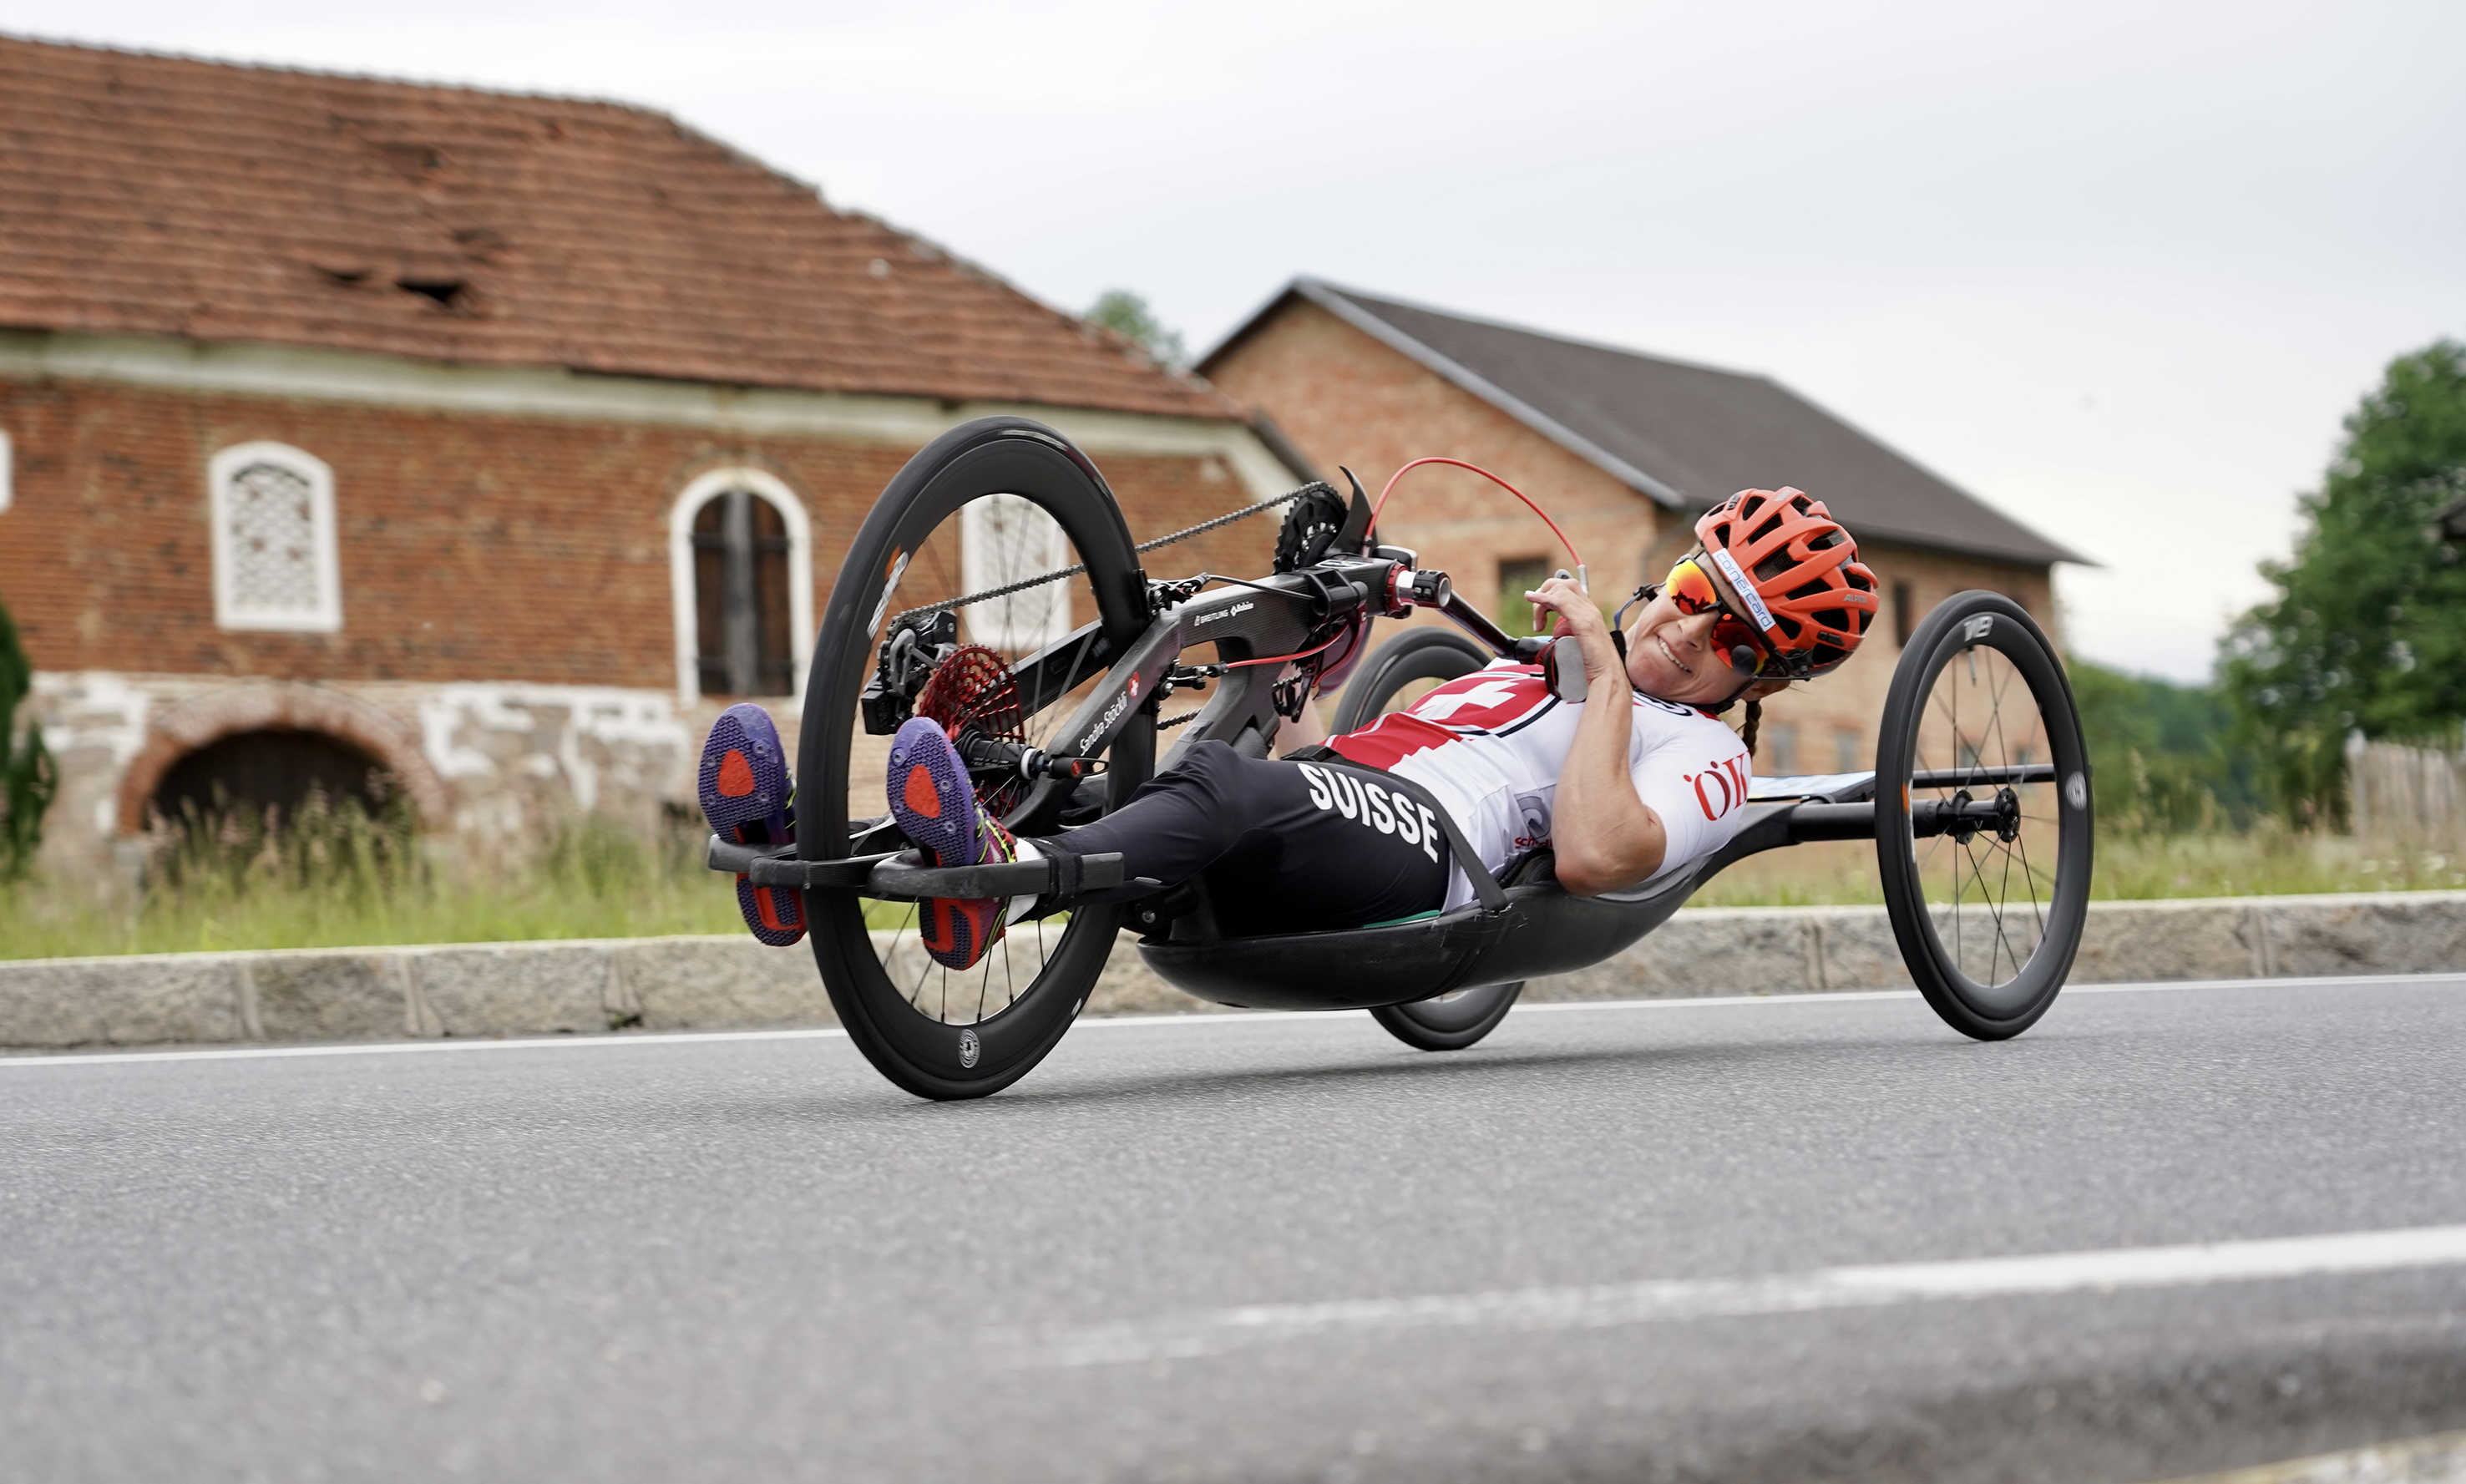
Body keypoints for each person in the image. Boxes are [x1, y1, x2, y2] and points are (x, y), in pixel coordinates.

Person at [700, 488, 1877, 969]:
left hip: (1436, 853)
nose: (1684, 623)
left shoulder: (1707, 756)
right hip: (1347, 799)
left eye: (1724, 632)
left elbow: (1593, 857)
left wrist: (1613, 685)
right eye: (1687, 584)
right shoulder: (1536, 666)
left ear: (1757, 672)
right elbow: (1346, 751)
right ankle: (812, 856)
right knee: (1126, 792)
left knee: (1215, 785)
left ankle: (998, 882)